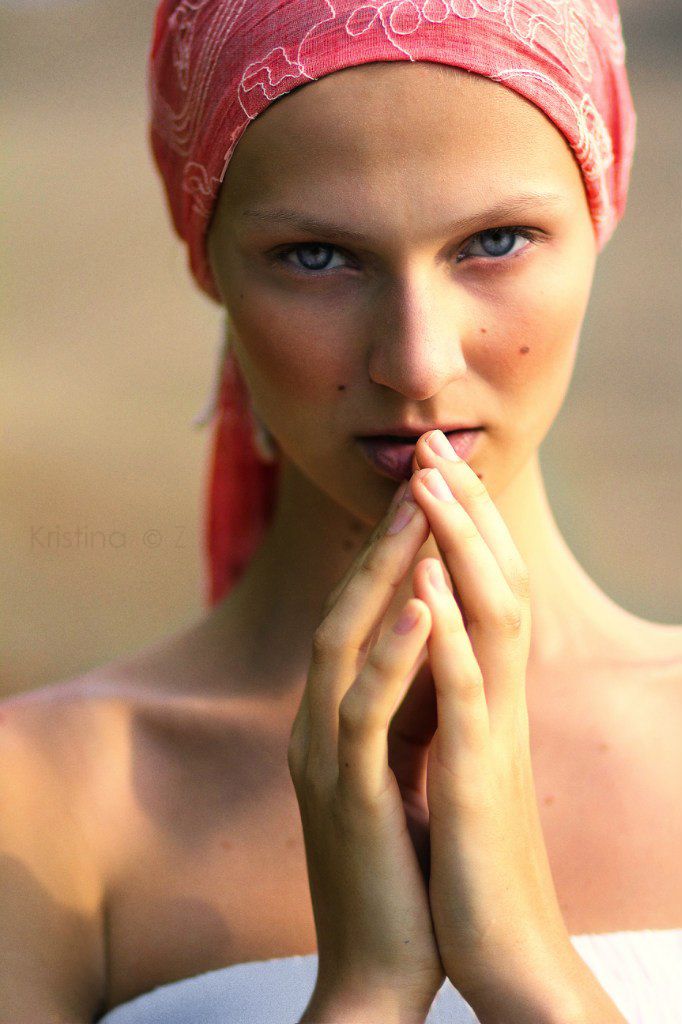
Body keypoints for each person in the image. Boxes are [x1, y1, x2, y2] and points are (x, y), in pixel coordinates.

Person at [2, 3, 681, 1023]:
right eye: (317, 255)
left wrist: (526, 966)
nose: (415, 362)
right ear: (206, 255)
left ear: (602, 209)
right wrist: (366, 992)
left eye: (496, 240)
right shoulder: (39, 808)